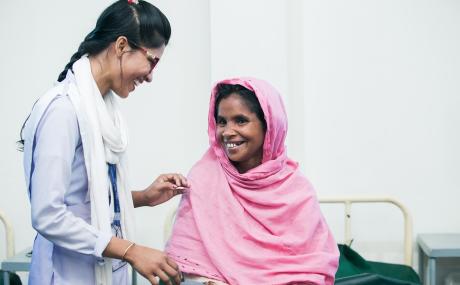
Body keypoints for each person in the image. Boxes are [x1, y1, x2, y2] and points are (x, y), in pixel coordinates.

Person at [19, 0, 189, 284]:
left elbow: (85, 201)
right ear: (122, 46)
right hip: (65, 275)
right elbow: (48, 214)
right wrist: (131, 250)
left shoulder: (104, 111)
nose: (150, 76)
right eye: (151, 61)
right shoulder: (64, 110)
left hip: (104, 272)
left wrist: (144, 197)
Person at [165, 77, 340, 285]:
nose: (228, 132)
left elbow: (313, 268)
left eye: (241, 120)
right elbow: (186, 267)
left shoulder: (297, 191)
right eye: (221, 122)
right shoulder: (203, 178)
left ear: (270, 125)